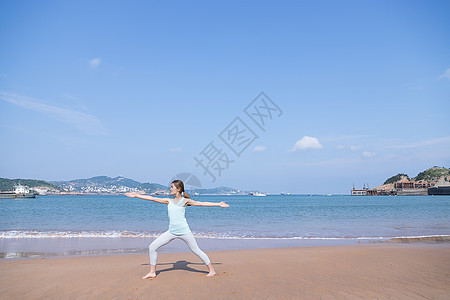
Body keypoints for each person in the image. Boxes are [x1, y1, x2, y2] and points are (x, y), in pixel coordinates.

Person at [125, 179, 230, 278]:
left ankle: (212, 270)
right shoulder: (168, 201)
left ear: (178, 189)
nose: (170, 189)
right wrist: (136, 195)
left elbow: (202, 203)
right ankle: (152, 272)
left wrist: (218, 204)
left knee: (196, 250)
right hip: (171, 232)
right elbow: (152, 198)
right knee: (152, 247)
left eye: (172, 187)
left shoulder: (185, 201)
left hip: (184, 232)